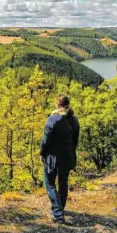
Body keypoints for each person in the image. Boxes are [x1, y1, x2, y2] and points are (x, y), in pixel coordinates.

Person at [40, 94, 80, 224]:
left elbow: (45, 142)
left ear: (57, 104)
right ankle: (60, 207)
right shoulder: (74, 119)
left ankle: (57, 213)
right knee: (63, 183)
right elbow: (75, 141)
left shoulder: (52, 120)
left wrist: (42, 153)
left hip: (53, 159)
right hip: (67, 157)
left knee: (49, 183)